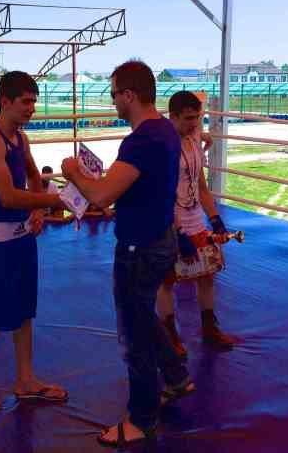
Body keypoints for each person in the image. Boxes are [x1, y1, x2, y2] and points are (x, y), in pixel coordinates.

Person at [61, 60, 193, 448]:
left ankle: (141, 420)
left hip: (140, 247)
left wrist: (73, 172)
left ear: (129, 95)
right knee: (143, 314)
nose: (113, 100)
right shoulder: (164, 130)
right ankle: (176, 376)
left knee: (134, 333)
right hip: (159, 238)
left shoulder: (141, 140)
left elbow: (101, 195)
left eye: (114, 93)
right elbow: (135, 186)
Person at [0, 70, 67, 413]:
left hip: (23, 238)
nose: (32, 108)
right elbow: (7, 197)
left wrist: (37, 211)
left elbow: (34, 177)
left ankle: (25, 379)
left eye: (34, 101)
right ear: (5, 101)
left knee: (24, 310)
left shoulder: (21, 139)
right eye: (26, 101)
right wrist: (55, 201)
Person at [157, 91, 235, 359]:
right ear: (173, 116)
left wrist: (214, 218)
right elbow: (162, 194)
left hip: (195, 219)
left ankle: (210, 329)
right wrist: (178, 232)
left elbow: (200, 185)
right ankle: (169, 337)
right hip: (169, 223)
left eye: (197, 118)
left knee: (207, 274)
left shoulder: (193, 140)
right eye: (188, 118)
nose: (194, 123)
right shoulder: (164, 147)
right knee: (167, 280)